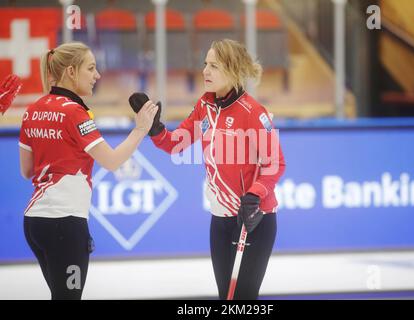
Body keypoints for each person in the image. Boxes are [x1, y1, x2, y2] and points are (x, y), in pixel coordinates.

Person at [133, 39, 286, 299]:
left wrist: (254, 195)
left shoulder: (253, 112)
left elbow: (275, 163)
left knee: (243, 300)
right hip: (220, 220)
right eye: (205, 64)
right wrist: (156, 129)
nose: (205, 71)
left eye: (213, 66)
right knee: (225, 297)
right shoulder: (205, 106)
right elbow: (176, 144)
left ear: (232, 69)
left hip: (253, 219)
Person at [18, 42, 158, 300]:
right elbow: (113, 161)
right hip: (65, 224)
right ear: (71, 71)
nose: (98, 75)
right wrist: (141, 129)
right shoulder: (75, 113)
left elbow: (27, 171)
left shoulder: (32, 110)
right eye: (91, 68)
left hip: (34, 223)